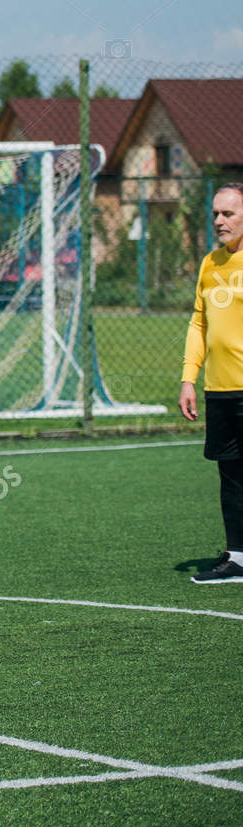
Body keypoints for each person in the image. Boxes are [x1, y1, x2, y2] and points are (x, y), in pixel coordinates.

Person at [180, 182, 243, 584]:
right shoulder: (210, 263)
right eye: (216, 214)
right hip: (219, 390)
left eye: (228, 214)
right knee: (231, 475)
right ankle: (237, 556)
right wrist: (189, 378)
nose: (219, 221)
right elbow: (199, 323)